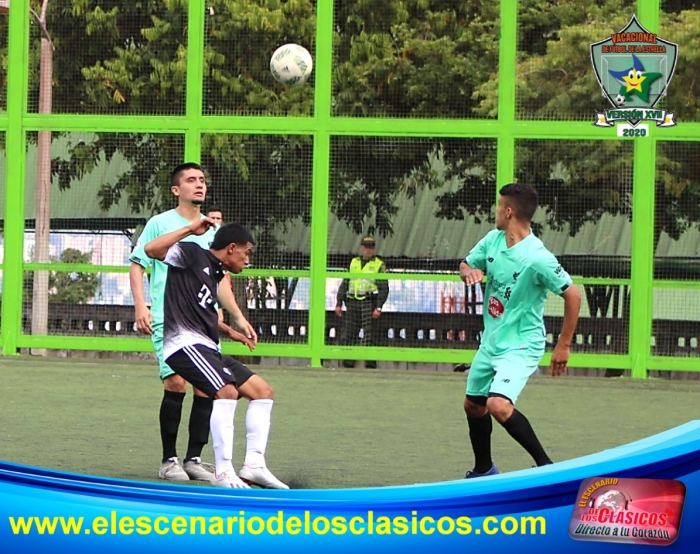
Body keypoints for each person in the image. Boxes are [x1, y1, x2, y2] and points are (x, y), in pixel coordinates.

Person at [130, 163, 287, 489]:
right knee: (180, 384)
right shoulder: (171, 232)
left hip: (203, 330)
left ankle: (209, 460)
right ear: (176, 189)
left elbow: (219, 284)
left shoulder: (214, 238)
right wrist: (140, 305)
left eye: (202, 179)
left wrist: (235, 321)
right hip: (173, 325)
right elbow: (144, 257)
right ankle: (174, 460)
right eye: (192, 180)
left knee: (240, 390)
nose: (199, 184)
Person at [458, 183, 581, 478]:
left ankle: (548, 469)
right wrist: (469, 272)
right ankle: (484, 470)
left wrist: (563, 345)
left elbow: (573, 295)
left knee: (497, 404)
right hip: (492, 340)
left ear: (509, 211)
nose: (496, 211)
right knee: (473, 405)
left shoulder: (537, 257)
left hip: (522, 344)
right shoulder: (492, 240)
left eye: (499, 206)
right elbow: (464, 264)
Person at [335, 236, 389, 369]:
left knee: (370, 335)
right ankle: (348, 363)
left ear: (374, 249)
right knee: (349, 333)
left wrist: (379, 307)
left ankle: (370, 364)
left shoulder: (378, 265)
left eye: (371, 247)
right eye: (366, 247)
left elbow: (384, 288)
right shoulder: (354, 262)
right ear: (361, 248)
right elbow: (346, 282)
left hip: (369, 302)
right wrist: (339, 302)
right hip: (352, 302)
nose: (368, 250)